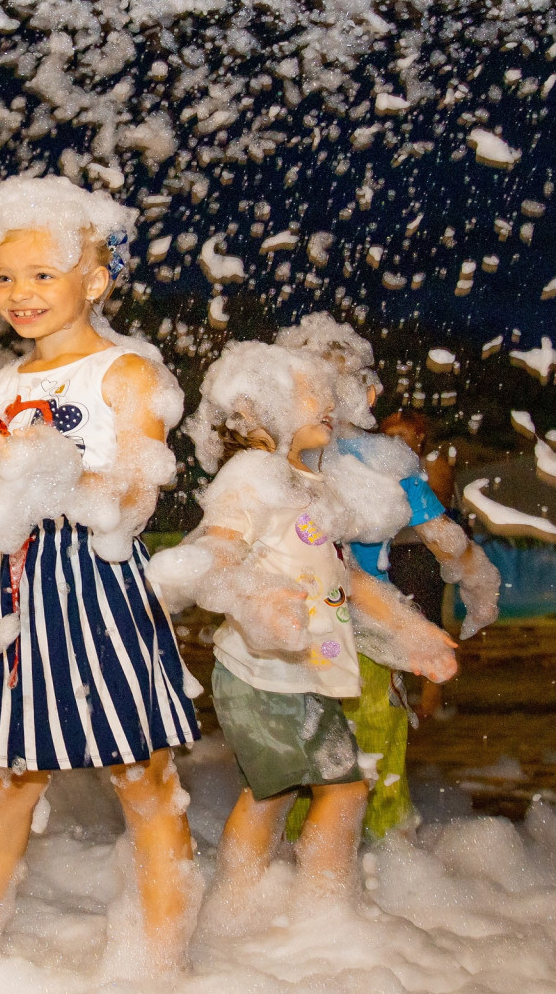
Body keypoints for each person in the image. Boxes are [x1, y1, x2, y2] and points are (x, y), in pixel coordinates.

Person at [0, 176, 201, 973]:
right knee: (8, 779)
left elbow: (135, 500)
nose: (20, 293)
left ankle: (166, 965)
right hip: (5, 582)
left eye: (43, 274)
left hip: (95, 577)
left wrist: (56, 484)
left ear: (95, 279)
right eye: (6, 277)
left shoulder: (128, 375)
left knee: (142, 773)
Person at [174, 341, 457, 921]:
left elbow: (349, 578)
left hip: (301, 675)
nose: (329, 401)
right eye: (311, 393)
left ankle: (284, 916)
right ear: (257, 412)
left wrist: (411, 633)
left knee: (305, 792)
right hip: (261, 675)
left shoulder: (308, 482)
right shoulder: (250, 476)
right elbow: (208, 557)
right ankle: (283, 916)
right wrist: (255, 603)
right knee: (307, 791)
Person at [272, 316, 500, 842]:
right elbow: (445, 539)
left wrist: (472, 582)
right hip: (350, 624)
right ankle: (374, 864)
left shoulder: (289, 454)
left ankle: (305, 873)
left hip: (305, 626)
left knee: (312, 753)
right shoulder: (375, 459)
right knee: (372, 746)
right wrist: (477, 586)